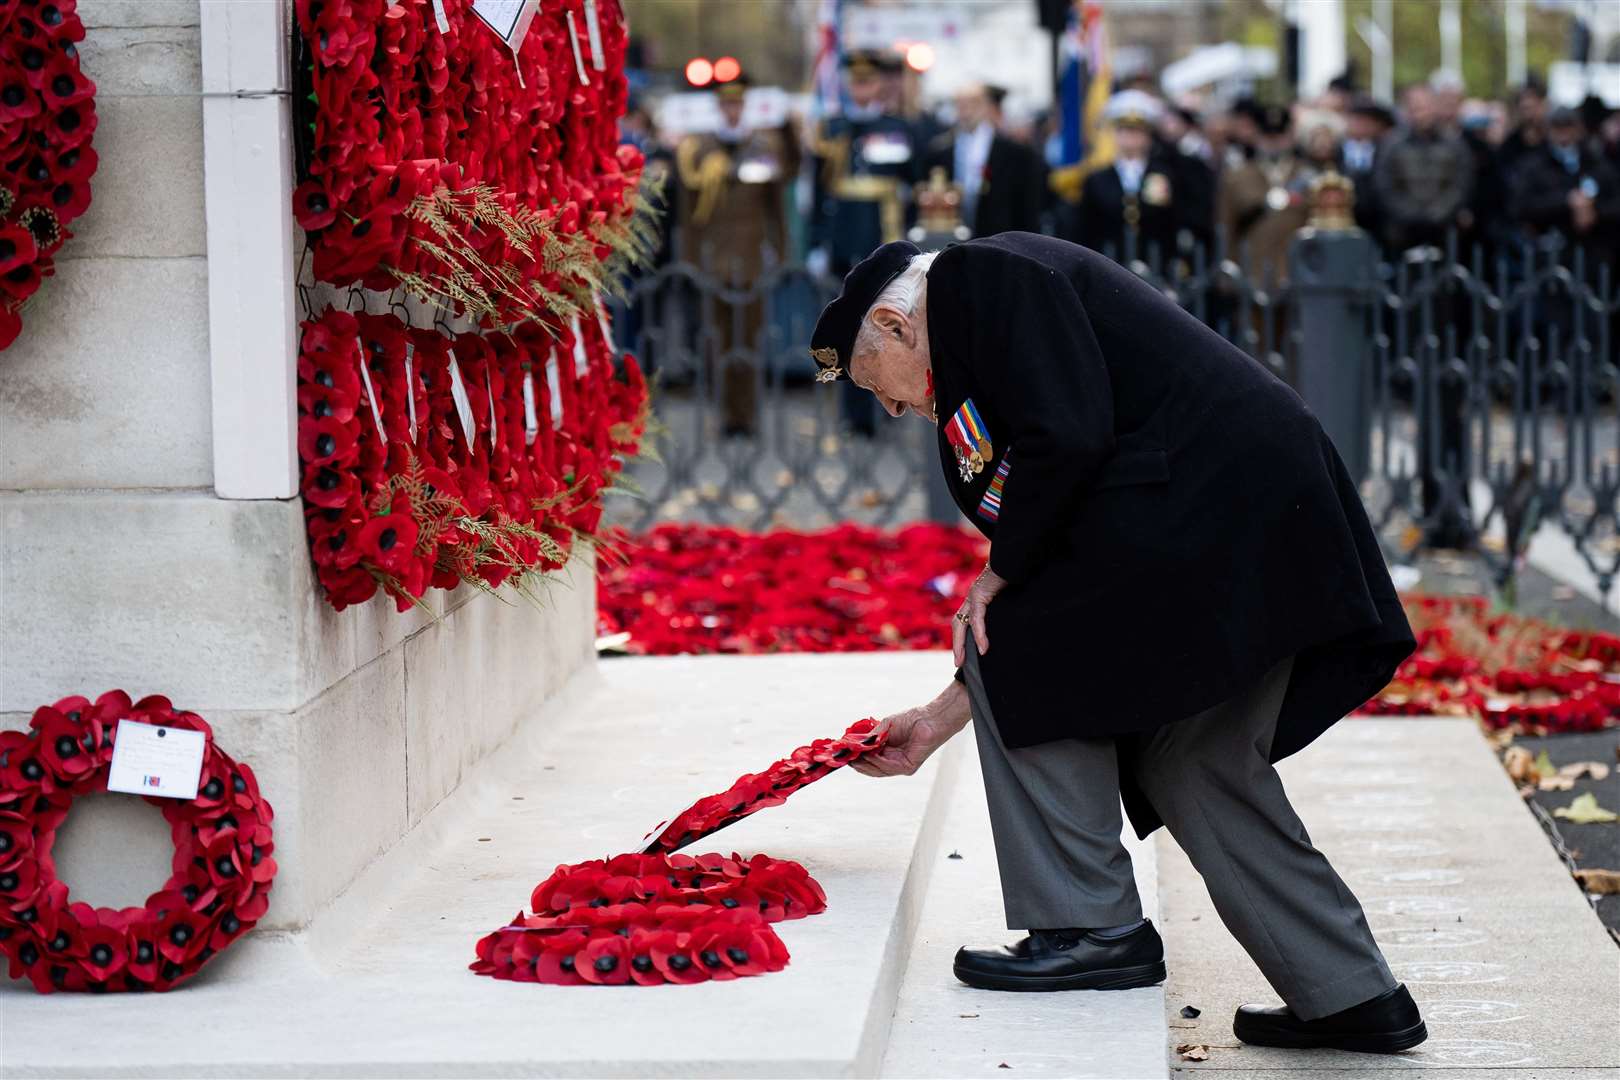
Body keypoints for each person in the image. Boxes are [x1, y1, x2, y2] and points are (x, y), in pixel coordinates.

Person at [807, 234, 1423, 1053]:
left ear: (892, 323)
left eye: (867, 383)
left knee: (1016, 635)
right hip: (1235, 511)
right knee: (1193, 757)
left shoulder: (976, 278)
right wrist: (941, 715)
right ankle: (1351, 992)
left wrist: (1001, 572)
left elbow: (1067, 437)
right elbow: (1061, 475)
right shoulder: (969, 337)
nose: (886, 408)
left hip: (1212, 507)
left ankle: (1090, 927)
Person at [674, 73, 794, 437]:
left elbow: (777, 208)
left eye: (736, 105)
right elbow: (689, 213)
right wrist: (692, 261)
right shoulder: (700, 149)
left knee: (750, 339)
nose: (731, 111)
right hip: (715, 259)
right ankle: (726, 415)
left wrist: (782, 252)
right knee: (719, 340)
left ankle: (747, 415)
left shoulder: (761, 146)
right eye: (726, 105)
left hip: (752, 258)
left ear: (744, 107)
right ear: (718, 107)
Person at [809, 50, 919, 436]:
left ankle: (889, 405)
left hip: (882, 232)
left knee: (889, 324)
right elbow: (818, 189)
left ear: (878, 85)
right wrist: (817, 242)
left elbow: (911, 182)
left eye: (868, 81)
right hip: (843, 234)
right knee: (851, 325)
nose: (862, 89)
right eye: (855, 82)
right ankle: (854, 411)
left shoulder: (895, 126)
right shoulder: (833, 128)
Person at [921, 82, 1044, 238]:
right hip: (953, 239)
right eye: (960, 103)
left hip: (999, 239)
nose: (966, 110)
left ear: (986, 106)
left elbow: (1028, 208)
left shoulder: (1016, 153)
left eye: (973, 103)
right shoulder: (939, 151)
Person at [1075, 90, 1182, 262]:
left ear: (1148, 136)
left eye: (1138, 131)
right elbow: (1088, 229)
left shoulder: (1163, 174)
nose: (1131, 137)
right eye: (1124, 130)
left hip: (1154, 264)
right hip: (1109, 265)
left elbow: (1170, 224)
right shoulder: (1097, 180)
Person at [1374, 84, 1474, 254]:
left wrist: (1439, 213)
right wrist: (1409, 214)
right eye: (1415, 107)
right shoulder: (1391, 145)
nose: (1421, 113)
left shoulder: (1455, 144)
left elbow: (1461, 184)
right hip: (1402, 230)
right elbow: (1384, 185)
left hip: (1444, 228)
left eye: (1426, 106)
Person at [1217, 103, 1312, 278]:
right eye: (1268, 135)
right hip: (1253, 271)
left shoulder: (1308, 175)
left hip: (1300, 273)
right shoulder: (1237, 175)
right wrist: (1227, 273)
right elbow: (1226, 226)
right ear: (1257, 136)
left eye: (1280, 135)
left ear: (1291, 136)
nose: (1274, 142)